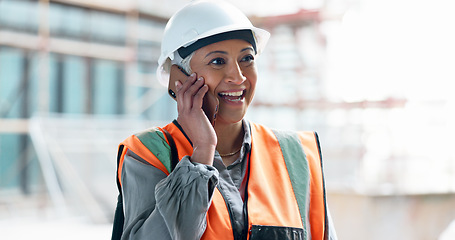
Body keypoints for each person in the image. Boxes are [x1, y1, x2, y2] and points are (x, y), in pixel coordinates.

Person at [112, 0, 337, 239]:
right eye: (218, 61)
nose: (238, 77)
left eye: (247, 59)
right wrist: (202, 151)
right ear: (179, 79)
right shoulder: (149, 154)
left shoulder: (297, 154)